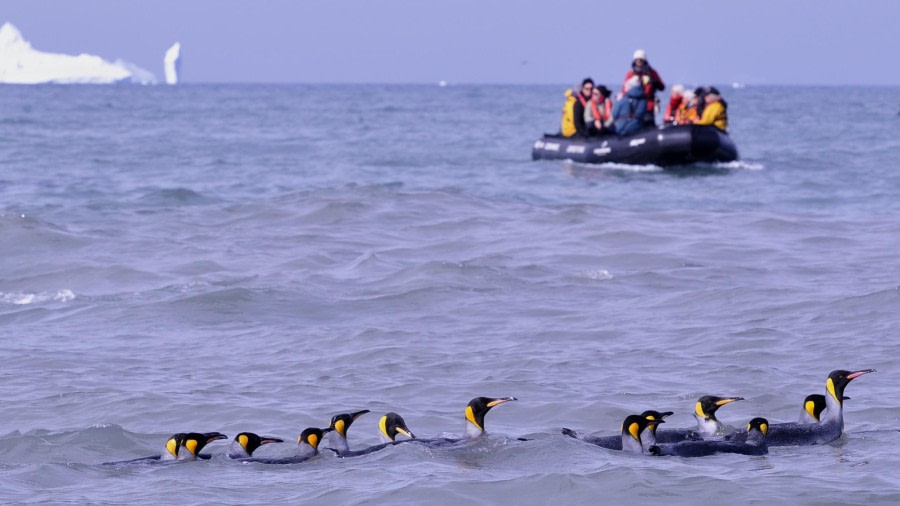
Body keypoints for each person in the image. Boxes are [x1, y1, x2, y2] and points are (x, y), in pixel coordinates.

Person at [621, 49, 665, 125]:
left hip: (648, 105)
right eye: (637, 60)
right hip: (634, 106)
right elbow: (624, 89)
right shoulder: (631, 74)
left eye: (640, 60)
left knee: (649, 122)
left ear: (644, 60)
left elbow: (662, 87)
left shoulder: (651, 73)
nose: (638, 62)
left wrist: (653, 81)